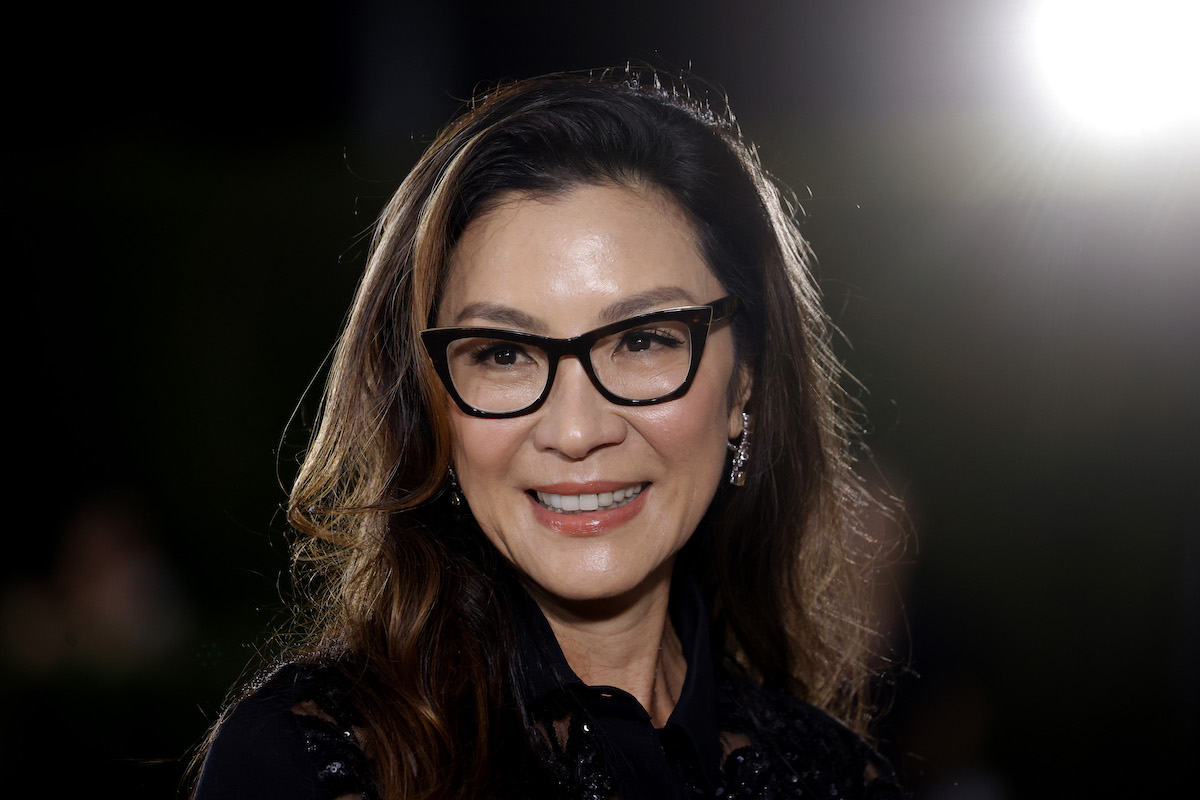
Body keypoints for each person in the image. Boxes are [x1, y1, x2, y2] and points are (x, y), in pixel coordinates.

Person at [193, 68, 904, 800]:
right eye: (503, 353)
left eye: (642, 341)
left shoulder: (840, 778)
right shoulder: (307, 765)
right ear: (431, 403)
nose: (575, 431)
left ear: (743, 382)